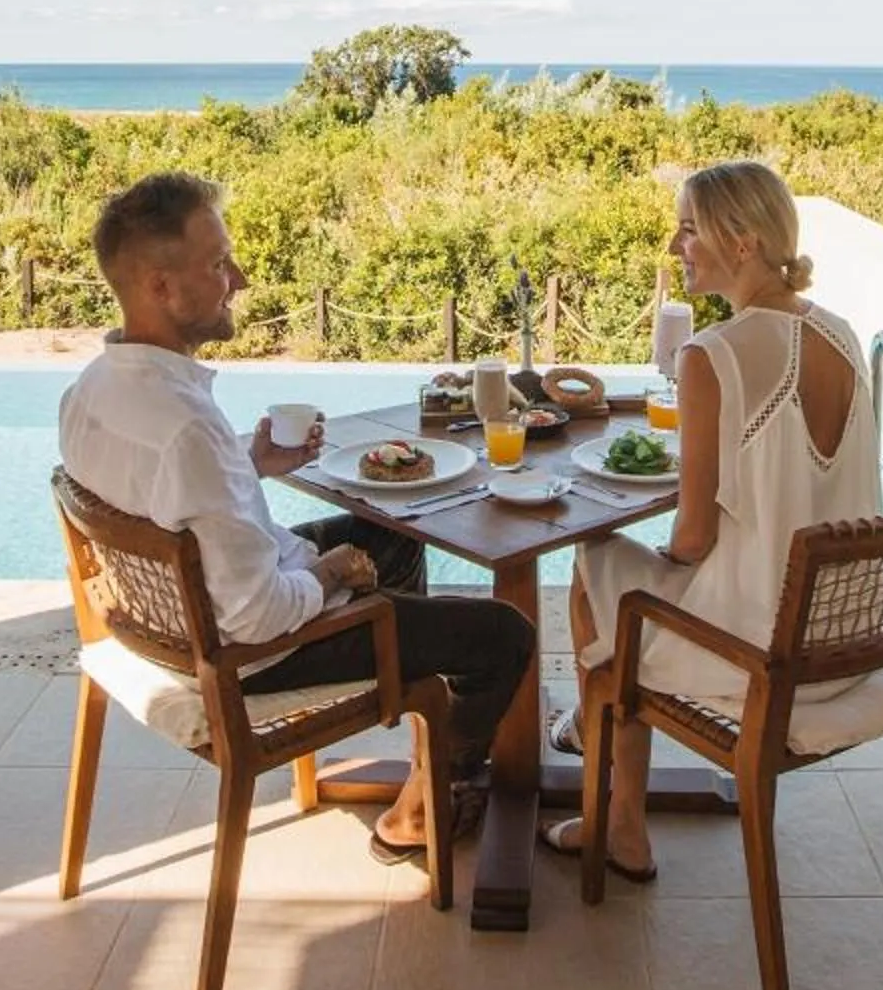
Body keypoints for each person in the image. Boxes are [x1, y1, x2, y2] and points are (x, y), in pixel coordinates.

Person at [57, 171, 533, 862]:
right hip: (240, 655)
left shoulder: (89, 391)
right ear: (160, 287)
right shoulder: (188, 427)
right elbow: (257, 618)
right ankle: (424, 801)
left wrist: (247, 467)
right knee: (502, 636)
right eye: (219, 263)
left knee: (388, 531)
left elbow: (161, 500)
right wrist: (332, 572)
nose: (240, 278)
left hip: (159, 624)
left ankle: (416, 699)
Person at [544, 160, 877, 883]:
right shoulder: (844, 334)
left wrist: (667, 555)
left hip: (769, 651)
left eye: (689, 229)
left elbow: (692, 540)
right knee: (623, 587)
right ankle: (590, 723)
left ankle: (620, 811)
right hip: (846, 631)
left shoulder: (714, 355)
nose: (674, 246)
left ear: (743, 241)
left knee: (597, 568)